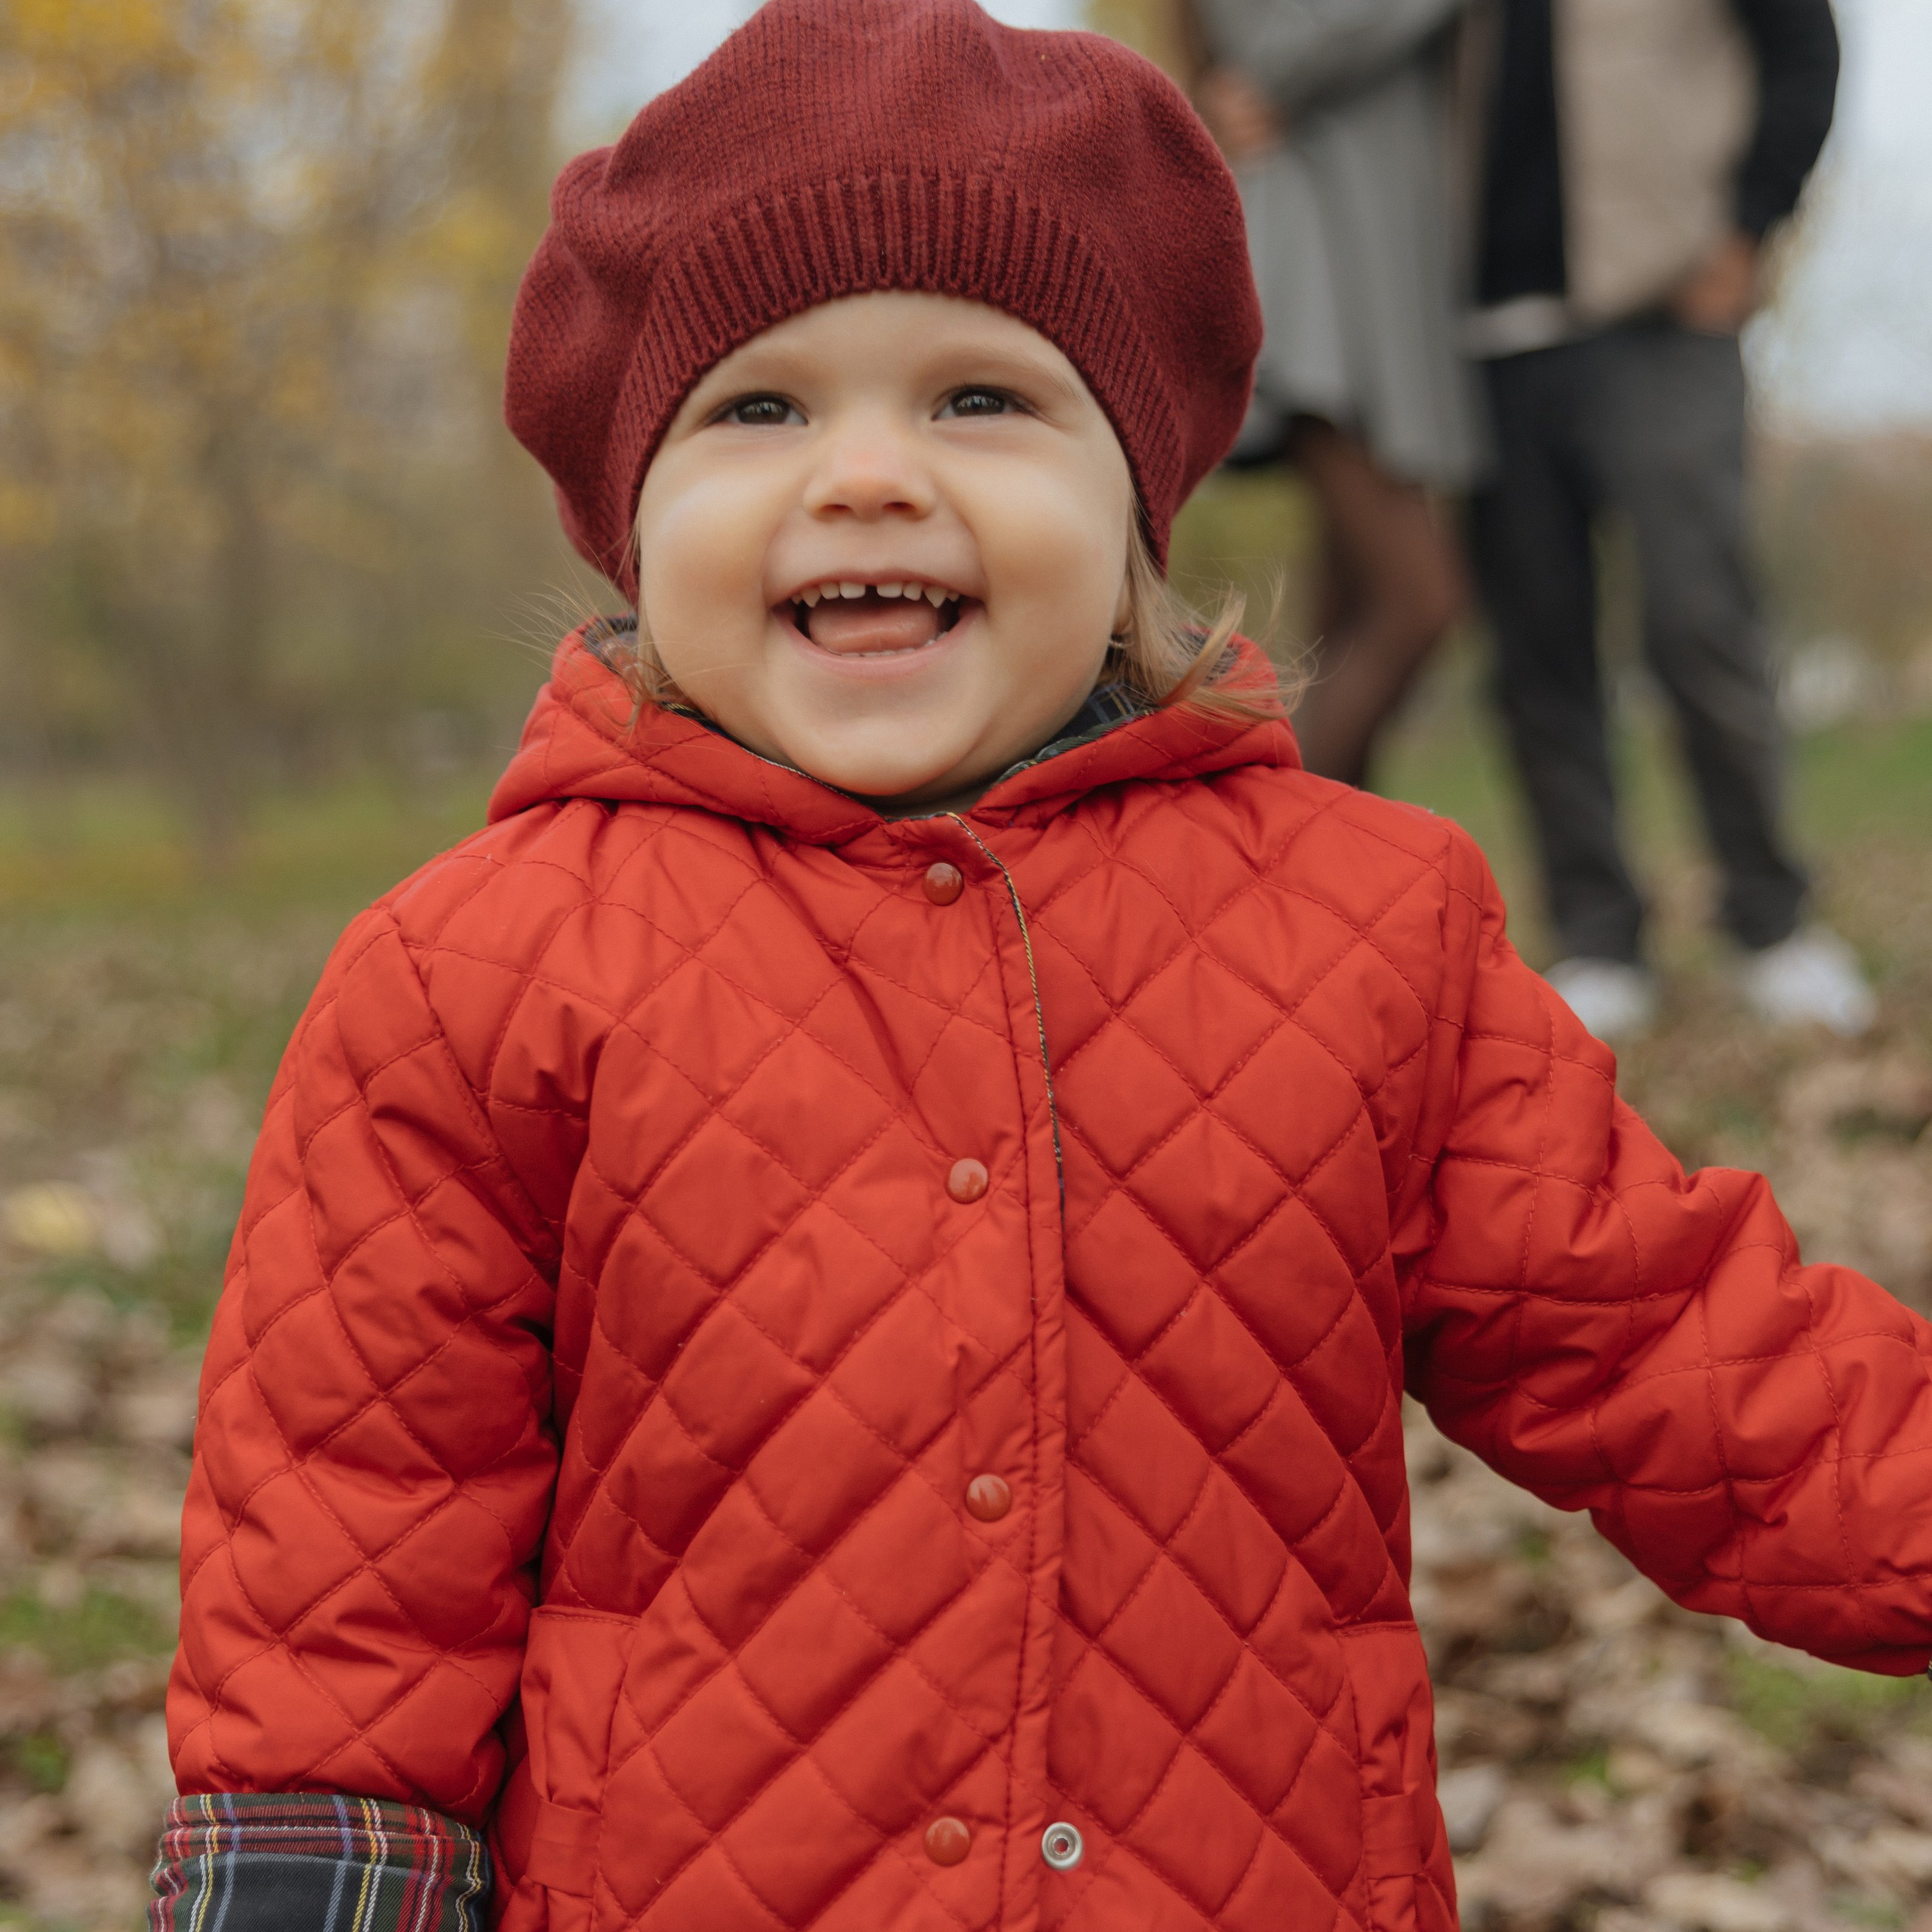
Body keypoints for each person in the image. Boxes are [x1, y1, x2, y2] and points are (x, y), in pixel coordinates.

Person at [149, 5, 1932, 1930]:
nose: (864, 476)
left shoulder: (1363, 925)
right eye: (757, 408)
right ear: (629, 515)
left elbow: (1671, 1340)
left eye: (980, 400)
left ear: (1136, 497)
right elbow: (349, 1546)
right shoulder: (471, 974)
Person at [1466, 0, 1868, 1042]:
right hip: (1480, 338)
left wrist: (1747, 227)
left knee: (1700, 615)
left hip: (1661, 313)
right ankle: (1599, 935)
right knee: (1535, 648)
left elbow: (1804, 49)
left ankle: (1773, 923)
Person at [1184, 0, 1483, 788]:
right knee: (1419, 600)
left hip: (1379, 297)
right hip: (1319, 294)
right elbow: (1265, 56)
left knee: (1350, 618)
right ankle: (1276, 856)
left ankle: (1329, 885)